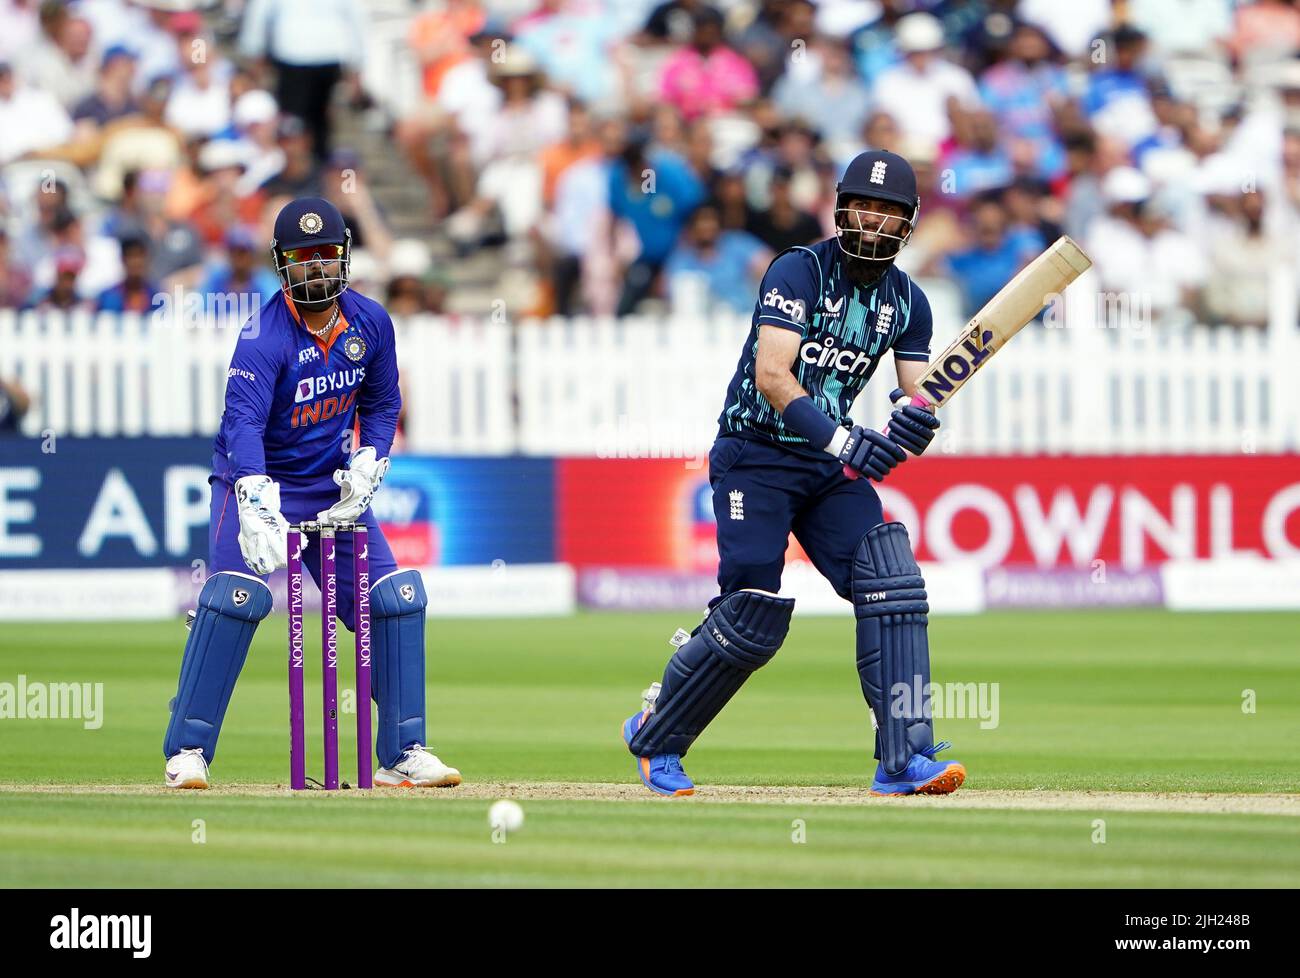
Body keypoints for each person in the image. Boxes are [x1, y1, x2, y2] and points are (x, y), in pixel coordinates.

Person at [621, 150, 966, 798]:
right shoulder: (798, 270)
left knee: (891, 581)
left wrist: (917, 421)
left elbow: (915, 391)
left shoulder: (908, 302)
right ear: (840, 208)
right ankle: (658, 731)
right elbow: (772, 375)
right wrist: (845, 439)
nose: (873, 220)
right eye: (864, 205)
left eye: (888, 211)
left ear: (909, 223)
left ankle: (904, 756)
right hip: (755, 455)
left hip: (826, 468)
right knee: (751, 610)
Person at [162, 197, 461, 790]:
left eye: (327, 256)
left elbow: (381, 401)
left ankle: (403, 751)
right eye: (303, 260)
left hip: (331, 487)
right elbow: (242, 422)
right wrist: (251, 491)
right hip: (258, 484)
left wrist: (372, 458)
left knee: (396, 599)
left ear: (345, 257)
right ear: (282, 266)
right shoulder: (261, 337)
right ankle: (189, 751)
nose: (317, 270)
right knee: (235, 600)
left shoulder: (371, 321)